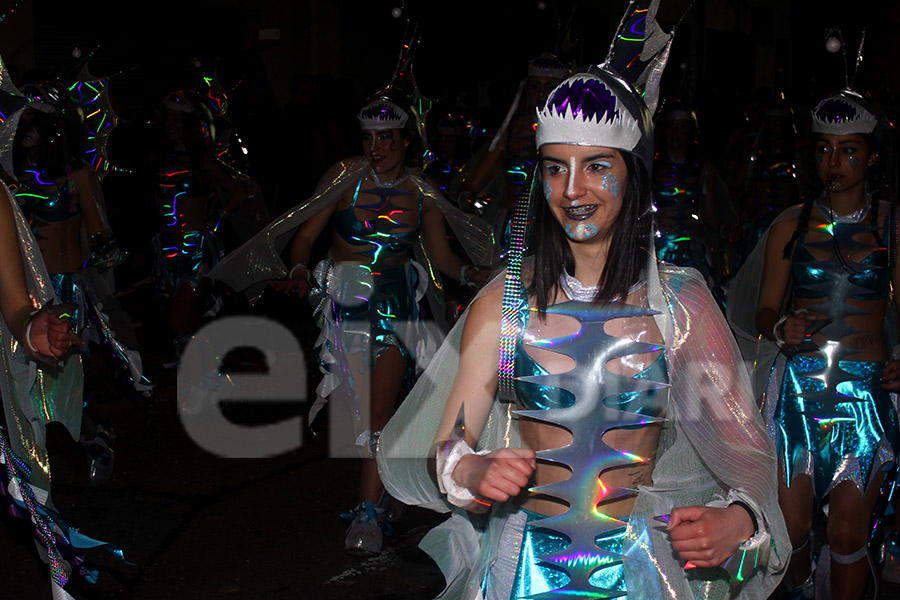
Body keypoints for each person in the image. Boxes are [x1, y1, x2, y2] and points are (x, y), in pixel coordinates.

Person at [377, 31, 789, 600]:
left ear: (632, 171)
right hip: (523, 573)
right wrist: (469, 471)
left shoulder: (680, 307)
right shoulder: (508, 303)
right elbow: (452, 442)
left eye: (596, 166)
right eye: (555, 169)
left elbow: (749, 458)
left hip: (643, 571)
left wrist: (739, 518)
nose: (572, 190)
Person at [210, 93, 494, 556]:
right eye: (368, 138)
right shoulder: (344, 178)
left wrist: (469, 273)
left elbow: (441, 257)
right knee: (361, 414)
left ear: (406, 140)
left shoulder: (422, 193)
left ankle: (368, 512)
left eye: (387, 138)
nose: (376, 148)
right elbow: (304, 235)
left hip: (395, 313)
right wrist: (299, 270)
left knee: (376, 418)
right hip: (344, 312)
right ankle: (390, 490)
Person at [731, 89, 897, 599]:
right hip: (798, 397)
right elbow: (761, 310)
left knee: (848, 533)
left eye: (849, 150)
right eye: (825, 149)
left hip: (865, 398)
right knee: (792, 528)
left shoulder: (891, 224)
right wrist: (780, 328)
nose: (835, 161)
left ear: (870, 156)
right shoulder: (791, 224)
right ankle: (801, 590)